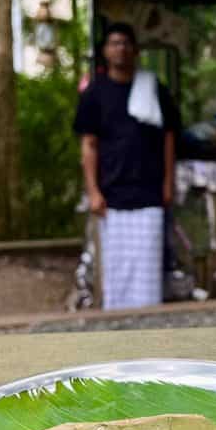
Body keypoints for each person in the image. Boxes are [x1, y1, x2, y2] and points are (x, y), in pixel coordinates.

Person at [73, 22, 181, 310]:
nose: (120, 48)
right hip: (112, 195)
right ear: (106, 51)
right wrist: (93, 191)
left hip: (149, 193)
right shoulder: (94, 93)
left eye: (125, 43)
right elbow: (89, 145)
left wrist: (168, 183)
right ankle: (117, 323)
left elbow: (169, 137)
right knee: (116, 268)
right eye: (114, 43)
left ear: (135, 50)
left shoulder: (153, 87)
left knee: (148, 266)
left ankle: (150, 323)